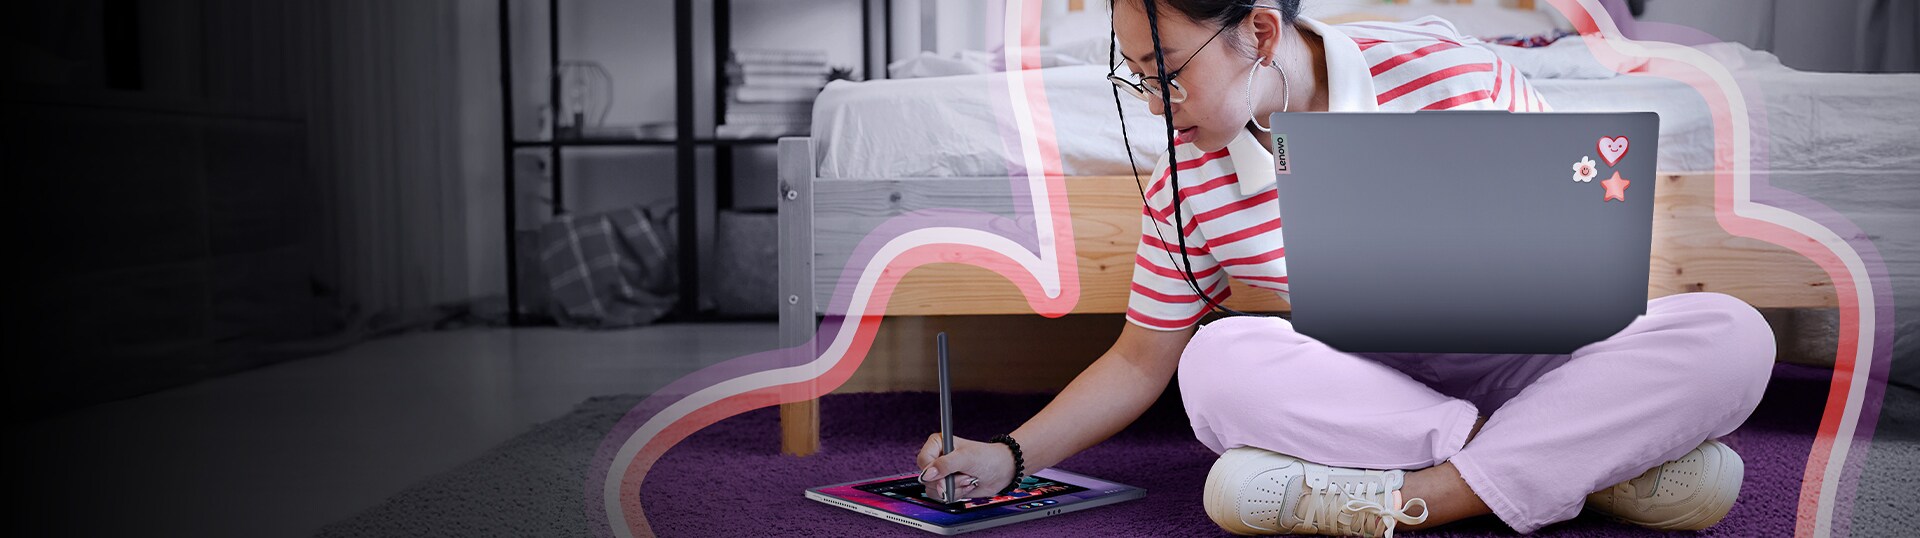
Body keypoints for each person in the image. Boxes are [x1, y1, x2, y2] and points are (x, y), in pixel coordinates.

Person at [914, 1, 1776, 536]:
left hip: (1542, 362)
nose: (1152, 103)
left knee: (1732, 334)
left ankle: (1424, 501)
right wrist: (1010, 454)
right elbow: (1143, 359)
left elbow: (1577, 226)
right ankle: (1597, 470)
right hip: (1379, 397)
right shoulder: (1186, 176)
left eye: (1164, 74)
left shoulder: (1445, 69)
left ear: (1256, 32)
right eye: (1133, 78)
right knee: (1216, 360)